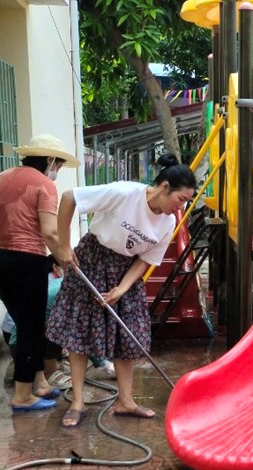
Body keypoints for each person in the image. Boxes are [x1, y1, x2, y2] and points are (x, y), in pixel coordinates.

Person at [46, 154, 197, 428]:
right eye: (181, 199)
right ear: (165, 187)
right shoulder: (125, 193)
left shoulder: (167, 223)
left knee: (128, 335)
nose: (181, 207)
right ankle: (78, 402)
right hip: (92, 260)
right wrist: (64, 246)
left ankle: (125, 401)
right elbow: (69, 198)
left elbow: (146, 259)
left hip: (126, 270)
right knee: (80, 331)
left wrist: (122, 288)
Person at [0, 134, 78, 413]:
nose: (57, 171)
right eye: (58, 165)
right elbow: (49, 232)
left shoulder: (0, 179)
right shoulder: (44, 184)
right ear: (50, 160)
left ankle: (40, 383)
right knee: (30, 328)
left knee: (26, 323)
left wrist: (4, 249)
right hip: (26, 262)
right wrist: (65, 259)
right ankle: (23, 396)